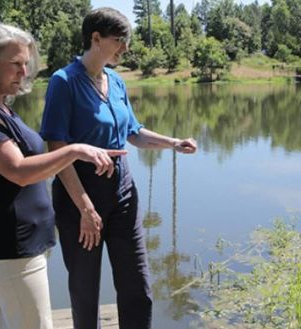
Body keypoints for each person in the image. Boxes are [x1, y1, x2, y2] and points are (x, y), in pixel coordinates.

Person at [0, 23, 126, 329]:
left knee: (9, 322)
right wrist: (74, 150)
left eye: (26, 64)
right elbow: (18, 172)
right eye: (15, 63)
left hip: (22, 245)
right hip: (10, 247)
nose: (24, 71)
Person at [39, 7, 198, 329]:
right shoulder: (63, 82)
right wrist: (85, 208)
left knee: (137, 285)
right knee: (85, 289)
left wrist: (173, 142)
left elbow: (133, 133)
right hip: (79, 196)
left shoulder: (116, 81)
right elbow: (56, 147)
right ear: (95, 39)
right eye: (119, 40)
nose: (125, 48)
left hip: (123, 192)